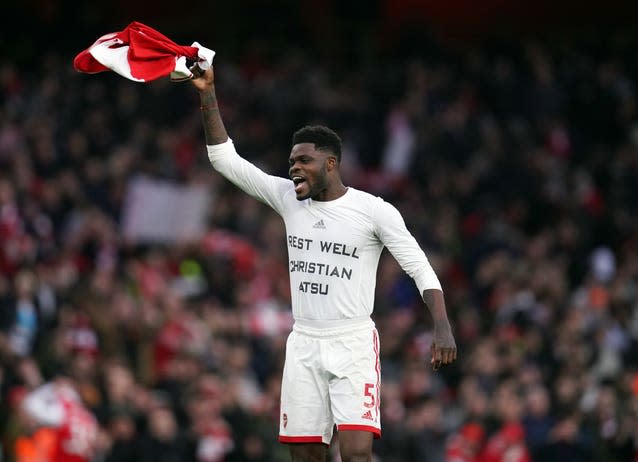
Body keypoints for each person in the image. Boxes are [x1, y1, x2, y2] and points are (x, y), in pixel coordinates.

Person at [189, 63, 457, 462]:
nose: (293, 168)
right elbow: (225, 160)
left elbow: (419, 266)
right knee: (305, 457)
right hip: (304, 342)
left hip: (352, 342)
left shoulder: (373, 211)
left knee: (356, 453)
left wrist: (442, 326)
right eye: (292, 161)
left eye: (304, 161)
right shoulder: (286, 199)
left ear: (330, 164)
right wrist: (207, 91)